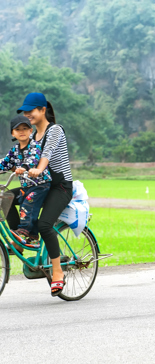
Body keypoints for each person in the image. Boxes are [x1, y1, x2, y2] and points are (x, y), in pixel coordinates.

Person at [7, 93, 73, 296]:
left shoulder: (55, 130)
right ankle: (23, 236)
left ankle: (58, 272)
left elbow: (46, 154)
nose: (28, 115)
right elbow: (14, 158)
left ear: (43, 110)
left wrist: (37, 168)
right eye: (25, 112)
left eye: (31, 111)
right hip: (37, 186)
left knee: (45, 224)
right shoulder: (30, 135)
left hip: (59, 187)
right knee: (6, 198)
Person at [0, 115, 51, 245]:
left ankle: (24, 231)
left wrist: (23, 167)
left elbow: (33, 159)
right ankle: (22, 235)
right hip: (26, 186)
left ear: (30, 131)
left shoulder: (35, 145)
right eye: (18, 129)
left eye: (25, 128)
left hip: (40, 185)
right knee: (6, 198)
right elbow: (4, 164)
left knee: (28, 202)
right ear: (13, 132)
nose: (22, 131)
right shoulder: (14, 150)